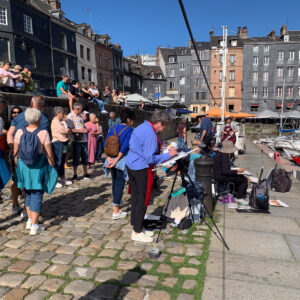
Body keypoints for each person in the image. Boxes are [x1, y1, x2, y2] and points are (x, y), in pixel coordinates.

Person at [126, 111, 177, 243]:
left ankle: (136, 224)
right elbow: (150, 159)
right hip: (140, 168)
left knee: (136, 198)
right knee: (142, 199)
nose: (165, 128)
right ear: (159, 123)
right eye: (165, 125)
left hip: (131, 164)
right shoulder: (150, 134)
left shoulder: (142, 126)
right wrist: (169, 155)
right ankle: (137, 232)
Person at [14, 108, 57, 235]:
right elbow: (49, 153)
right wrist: (52, 166)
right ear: (38, 119)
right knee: (37, 194)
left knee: (28, 193)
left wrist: (18, 167)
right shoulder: (43, 133)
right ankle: (34, 226)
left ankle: (29, 220)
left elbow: (15, 153)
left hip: (24, 167)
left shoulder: (19, 132)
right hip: (38, 167)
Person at [7, 95, 49, 215]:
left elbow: (10, 133)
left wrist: (12, 147)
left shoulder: (19, 116)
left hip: (17, 154)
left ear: (31, 104)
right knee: (30, 183)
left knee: (15, 179)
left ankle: (15, 204)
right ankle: (28, 209)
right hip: (34, 157)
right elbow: (43, 140)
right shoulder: (43, 119)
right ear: (43, 106)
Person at [104, 109, 135, 220]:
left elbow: (106, 143)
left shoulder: (113, 128)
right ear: (128, 119)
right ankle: (116, 211)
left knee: (114, 181)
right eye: (132, 120)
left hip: (110, 158)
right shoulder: (129, 130)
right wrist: (117, 160)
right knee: (120, 183)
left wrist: (109, 158)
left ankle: (116, 201)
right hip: (121, 160)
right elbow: (126, 146)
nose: (132, 122)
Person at [67, 102, 89, 180]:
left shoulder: (79, 116)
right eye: (80, 109)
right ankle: (75, 174)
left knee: (85, 156)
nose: (81, 111)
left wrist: (85, 129)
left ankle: (85, 173)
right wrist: (80, 131)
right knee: (76, 157)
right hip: (77, 140)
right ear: (77, 109)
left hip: (84, 139)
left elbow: (82, 126)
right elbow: (69, 130)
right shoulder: (70, 116)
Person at [51, 107, 72, 188]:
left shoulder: (62, 121)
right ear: (58, 113)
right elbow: (64, 131)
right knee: (58, 161)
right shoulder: (55, 121)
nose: (63, 115)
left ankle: (62, 177)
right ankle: (55, 180)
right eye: (62, 113)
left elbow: (68, 130)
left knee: (62, 161)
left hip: (64, 141)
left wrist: (67, 129)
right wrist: (67, 131)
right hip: (58, 143)